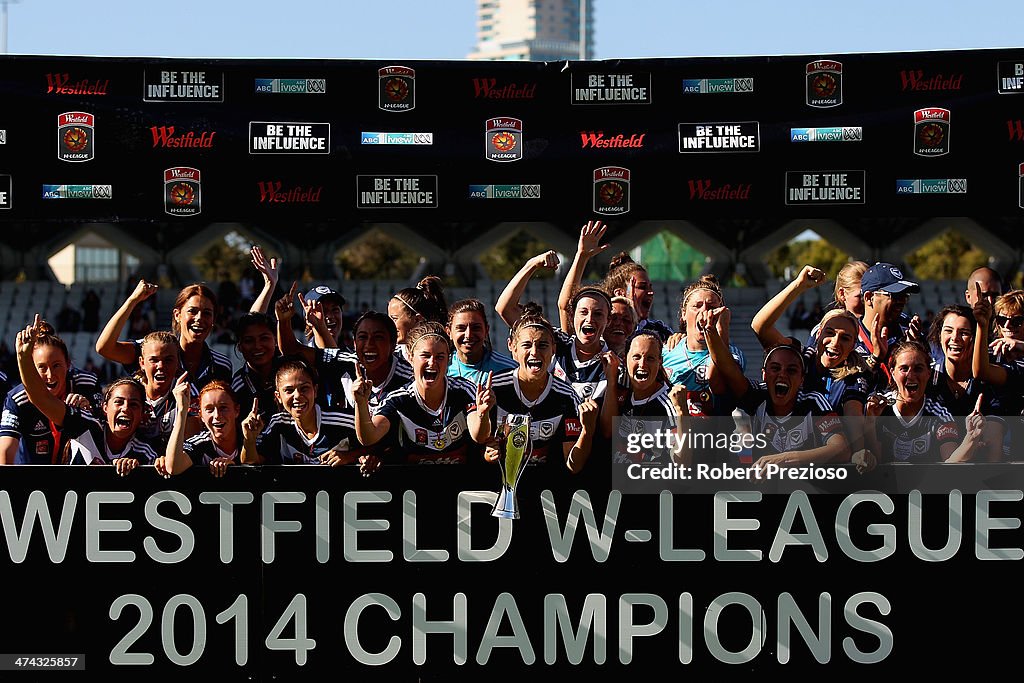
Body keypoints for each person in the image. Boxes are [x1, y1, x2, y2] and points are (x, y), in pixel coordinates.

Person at [705, 308, 851, 468]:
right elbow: (728, 369)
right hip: (765, 489)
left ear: (802, 379)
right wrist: (710, 331)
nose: (782, 375)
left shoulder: (814, 401)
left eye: (791, 370)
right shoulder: (758, 395)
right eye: (775, 368)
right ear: (764, 375)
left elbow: (841, 449)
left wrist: (785, 459)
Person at [15, 316, 156, 471]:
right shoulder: (87, 426)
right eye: (118, 402)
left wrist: (138, 470)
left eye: (134, 404)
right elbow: (41, 398)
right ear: (104, 407)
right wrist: (23, 357)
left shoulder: (145, 453)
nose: (125, 408)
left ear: (143, 413)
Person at [472, 304, 598, 474]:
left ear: (553, 348)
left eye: (543, 345)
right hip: (497, 484)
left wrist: (587, 431)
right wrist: (487, 452)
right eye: (526, 345)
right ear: (512, 347)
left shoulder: (566, 396)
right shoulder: (493, 388)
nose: (534, 352)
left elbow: (573, 465)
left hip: (544, 488)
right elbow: (479, 444)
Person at [353, 322, 479, 464]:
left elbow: (479, 436)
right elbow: (369, 437)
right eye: (425, 355)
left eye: (440, 357)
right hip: (414, 484)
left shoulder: (464, 390)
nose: (432, 363)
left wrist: (483, 413)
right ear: (411, 358)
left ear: (448, 359)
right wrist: (360, 403)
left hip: (462, 483)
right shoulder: (398, 399)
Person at [95, 281, 232, 396]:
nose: (199, 318)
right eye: (192, 311)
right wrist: (133, 301)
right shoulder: (152, 349)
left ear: (214, 319)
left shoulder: (221, 366)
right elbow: (105, 348)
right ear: (177, 315)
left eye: (207, 313)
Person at [865, 341, 984, 463]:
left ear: (928, 373)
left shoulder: (939, 415)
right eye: (904, 369)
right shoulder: (877, 408)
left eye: (918, 369)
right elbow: (873, 462)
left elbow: (950, 463)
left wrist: (971, 438)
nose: (911, 375)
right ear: (892, 373)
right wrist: (870, 423)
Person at [1, 323, 101, 464]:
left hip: (76, 479)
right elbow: (5, 453)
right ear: (31, 369)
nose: (50, 375)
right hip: (34, 480)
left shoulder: (86, 384)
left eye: (56, 366)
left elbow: (105, 435)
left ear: (68, 364)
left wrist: (88, 412)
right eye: (42, 367)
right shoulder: (17, 399)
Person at [240, 359, 365, 467]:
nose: (297, 396)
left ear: (315, 391)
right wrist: (249, 440)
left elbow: (379, 446)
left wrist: (350, 456)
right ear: (278, 396)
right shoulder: (278, 423)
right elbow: (250, 462)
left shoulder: (344, 421)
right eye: (289, 390)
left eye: (304, 388)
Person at [600, 329, 688, 465]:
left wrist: (682, 414)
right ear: (625, 358)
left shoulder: (669, 404)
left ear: (660, 362)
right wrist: (611, 380)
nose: (642, 364)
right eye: (636, 357)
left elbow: (682, 461)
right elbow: (607, 432)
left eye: (650, 358)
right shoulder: (621, 391)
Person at [662, 275, 745, 417]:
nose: (704, 312)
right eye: (697, 306)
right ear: (683, 313)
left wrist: (720, 331)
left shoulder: (733, 354)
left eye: (712, 307)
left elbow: (720, 385)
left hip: (715, 436)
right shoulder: (666, 352)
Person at [156, 377, 240, 477]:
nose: (217, 415)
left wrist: (234, 467)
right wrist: (182, 410)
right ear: (201, 416)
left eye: (223, 408)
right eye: (209, 410)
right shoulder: (200, 443)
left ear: (236, 411)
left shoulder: (248, 438)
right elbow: (173, 467)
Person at [445, 298, 517, 384]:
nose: (468, 335)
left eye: (476, 328)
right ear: (449, 332)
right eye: (461, 328)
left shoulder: (509, 370)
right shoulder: (442, 367)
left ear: (486, 330)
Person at [231, 312, 280, 424]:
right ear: (239, 346)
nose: (257, 346)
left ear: (275, 340)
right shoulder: (237, 388)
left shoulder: (291, 372)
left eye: (264, 338)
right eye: (249, 341)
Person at [388, 276, 448, 362]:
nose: (389, 324)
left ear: (417, 320)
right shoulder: (389, 357)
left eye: (394, 319)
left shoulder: (442, 358)